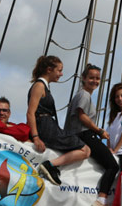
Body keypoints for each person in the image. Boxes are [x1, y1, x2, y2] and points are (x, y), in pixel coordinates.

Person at [65, 64, 120, 206]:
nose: (95, 81)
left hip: (81, 134)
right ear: (83, 78)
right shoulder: (84, 95)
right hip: (84, 135)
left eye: (97, 78)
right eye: (91, 78)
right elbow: (82, 116)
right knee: (112, 166)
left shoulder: (82, 95)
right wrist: (99, 131)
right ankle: (101, 200)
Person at [27, 56, 91, 185]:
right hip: (45, 126)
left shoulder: (44, 86)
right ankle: (50, 165)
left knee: (85, 149)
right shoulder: (39, 86)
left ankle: (52, 166)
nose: (61, 74)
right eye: (59, 70)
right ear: (49, 70)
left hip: (48, 125)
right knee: (85, 150)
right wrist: (35, 137)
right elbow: (30, 113)